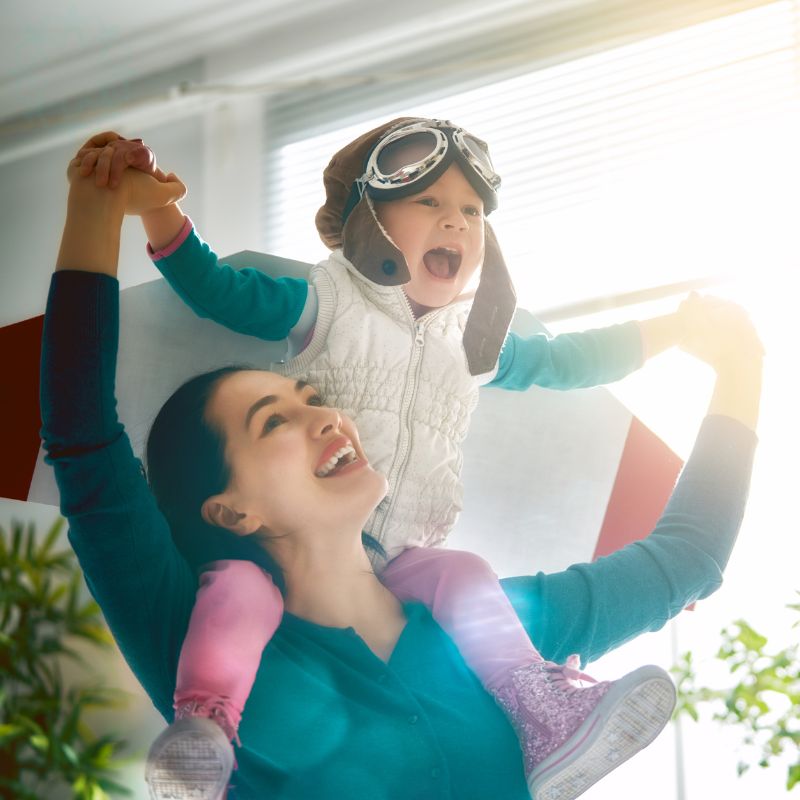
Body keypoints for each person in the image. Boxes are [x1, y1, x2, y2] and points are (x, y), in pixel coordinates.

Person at [45, 157, 761, 799]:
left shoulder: (496, 628)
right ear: (231, 510)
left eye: (316, 399)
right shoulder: (189, 636)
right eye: (273, 422)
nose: (326, 420)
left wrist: (741, 367)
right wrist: (99, 203)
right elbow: (83, 444)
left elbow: (688, 560)